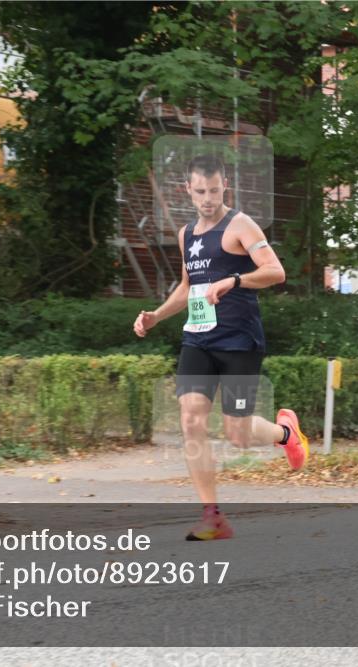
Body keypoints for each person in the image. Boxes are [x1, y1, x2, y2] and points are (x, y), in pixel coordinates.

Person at [133, 154, 308, 541]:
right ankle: (212, 515)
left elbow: (275, 271)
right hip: (198, 337)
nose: (208, 199)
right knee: (191, 418)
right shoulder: (186, 235)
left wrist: (235, 280)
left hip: (238, 339)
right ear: (188, 191)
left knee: (238, 434)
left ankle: (286, 433)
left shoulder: (240, 225)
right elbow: (186, 286)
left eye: (214, 190)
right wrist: (156, 316)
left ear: (224, 186)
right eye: (200, 192)